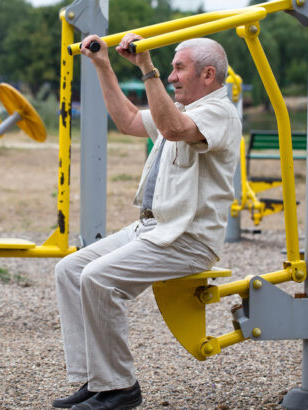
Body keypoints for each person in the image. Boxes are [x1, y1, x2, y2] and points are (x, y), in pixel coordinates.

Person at [52, 33, 241, 410]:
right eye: (170, 69)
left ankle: (120, 388)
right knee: (70, 269)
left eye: (178, 68)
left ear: (207, 75)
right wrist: (103, 65)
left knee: (99, 278)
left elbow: (172, 129)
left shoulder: (219, 113)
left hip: (188, 238)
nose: (171, 77)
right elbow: (126, 121)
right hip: (155, 229)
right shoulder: (180, 110)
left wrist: (147, 67)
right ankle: (95, 380)